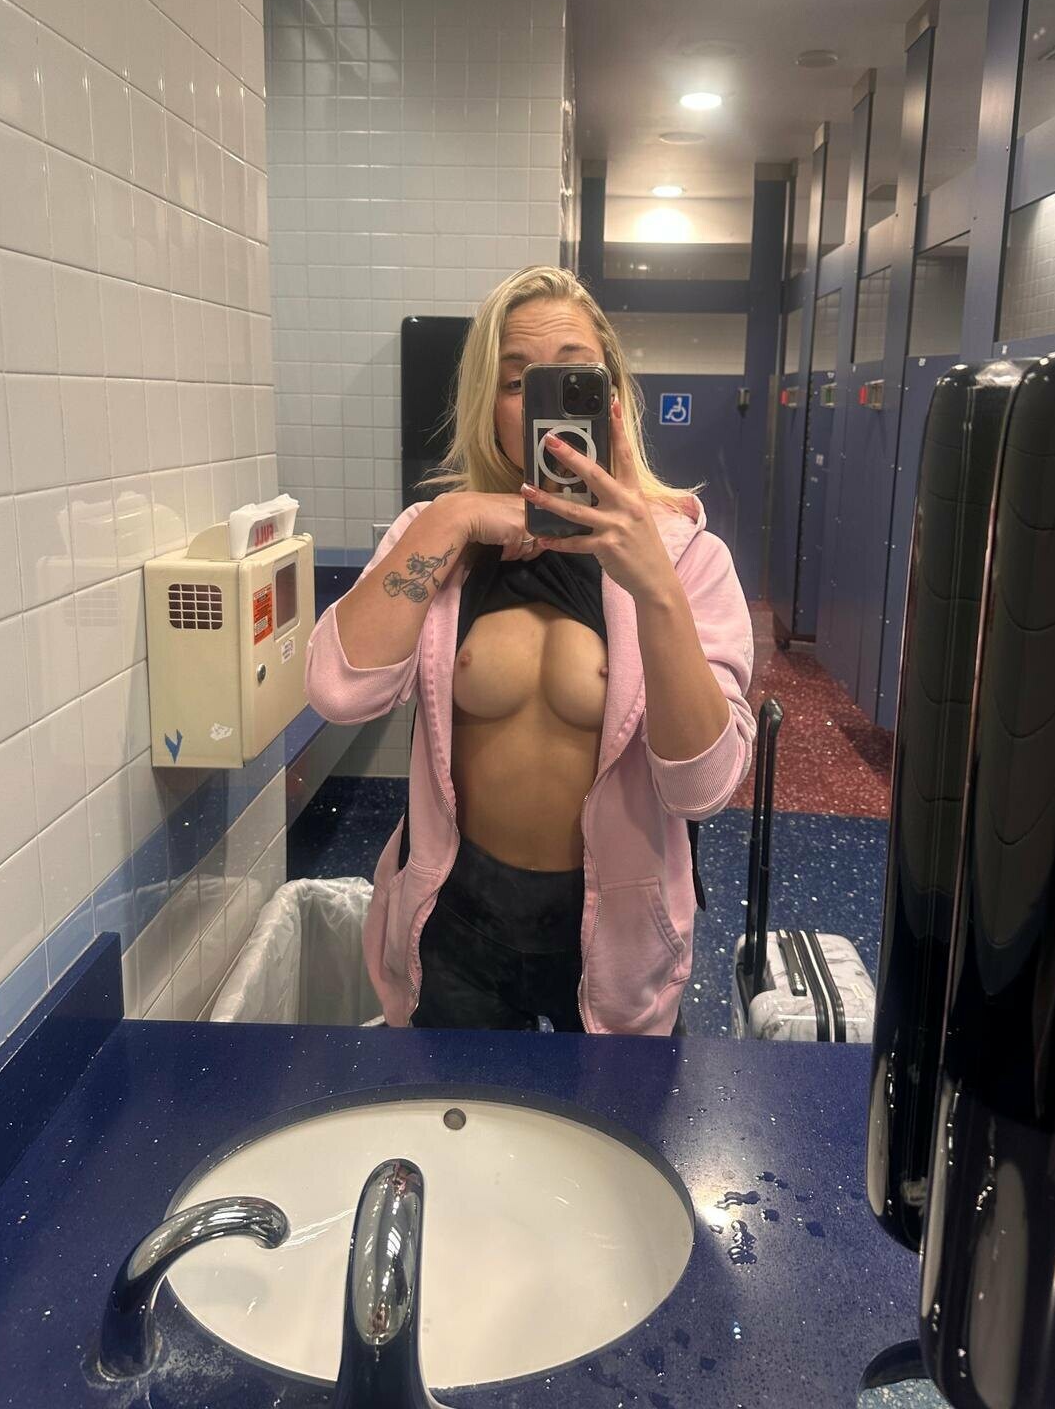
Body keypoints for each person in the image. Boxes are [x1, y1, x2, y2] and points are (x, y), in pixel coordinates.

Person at [305, 266, 756, 1035]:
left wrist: (653, 586)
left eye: (573, 379)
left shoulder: (687, 558)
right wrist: (452, 518)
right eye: (517, 382)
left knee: (615, 1115)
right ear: (490, 404)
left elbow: (701, 789)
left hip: (615, 933)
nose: (545, 407)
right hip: (457, 915)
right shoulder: (439, 538)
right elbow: (337, 691)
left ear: (612, 398)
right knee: (460, 1112)